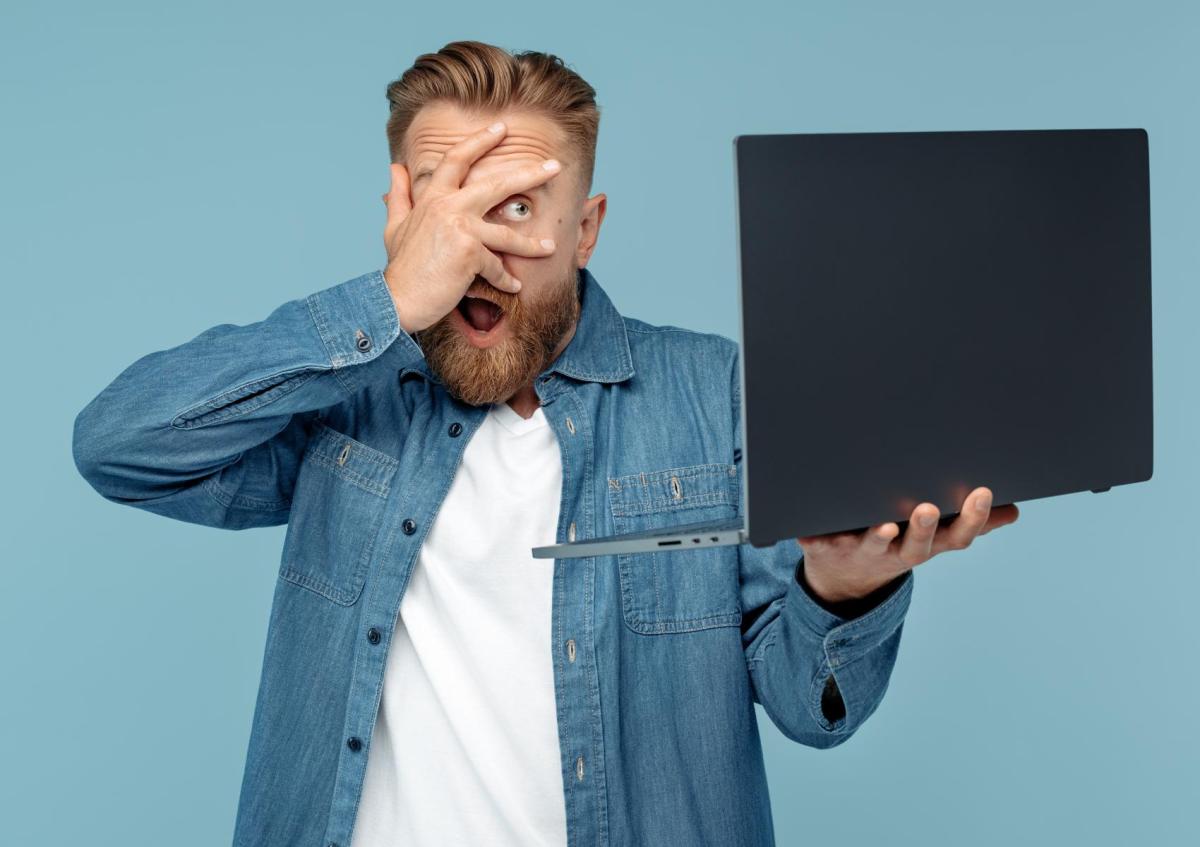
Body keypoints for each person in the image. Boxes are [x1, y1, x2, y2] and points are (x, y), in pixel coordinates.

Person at [72, 39, 1019, 847]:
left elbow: (813, 707)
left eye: (519, 207)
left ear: (588, 229)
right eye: (447, 205)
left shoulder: (716, 393)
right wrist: (388, 303)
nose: (480, 250)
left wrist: (846, 591)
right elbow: (120, 442)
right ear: (400, 217)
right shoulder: (339, 401)